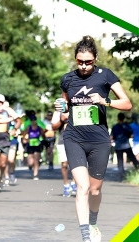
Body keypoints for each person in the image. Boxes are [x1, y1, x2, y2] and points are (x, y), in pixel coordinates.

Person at [54, 36, 132, 242]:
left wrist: (105, 101)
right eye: (80, 61)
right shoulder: (67, 79)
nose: (84, 66)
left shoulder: (105, 75)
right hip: (74, 137)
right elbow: (65, 109)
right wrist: (61, 108)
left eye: (88, 61)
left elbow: (127, 104)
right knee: (83, 186)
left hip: (99, 140)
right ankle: (86, 236)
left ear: (95, 58)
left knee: (95, 190)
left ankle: (94, 222)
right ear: (75, 59)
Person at [0, 94, 21, 192]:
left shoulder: (8, 110)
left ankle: (0, 177)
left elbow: (18, 120)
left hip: (5, 140)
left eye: (0, 102)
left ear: (3, 102)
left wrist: (14, 129)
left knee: (3, 164)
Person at [51, 110, 76, 197]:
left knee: (76, 163)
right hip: (63, 140)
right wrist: (62, 120)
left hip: (77, 140)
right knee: (64, 164)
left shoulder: (77, 105)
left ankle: (74, 183)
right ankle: (66, 185)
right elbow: (53, 127)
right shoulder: (58, 111)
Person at [110, 112, 139, 181]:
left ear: (118, 118)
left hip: (118, 146)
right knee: (133, 159)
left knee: (120, 162)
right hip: (126, 145)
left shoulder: (114, 127)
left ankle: (121, 177)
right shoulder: (127, 126)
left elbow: (111, 137)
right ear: (123, 118)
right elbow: (131, 135)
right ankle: (138, 169)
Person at [21, 115, 45, 180]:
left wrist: (42, 140)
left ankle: (35, 174)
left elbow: (43, 135)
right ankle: (30, 166)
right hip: (30, 145)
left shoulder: (39, 128)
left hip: (37, 145)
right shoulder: (29, 128)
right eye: (32, 120)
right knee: (31, 162)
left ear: (35, 120)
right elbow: (23, 134)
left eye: (34, 120)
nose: (33, 121)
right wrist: (25, 139)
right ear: (30, 121)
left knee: (36, 160)